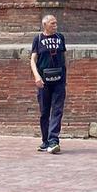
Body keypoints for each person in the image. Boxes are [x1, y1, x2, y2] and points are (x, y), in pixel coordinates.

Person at [30, 14, 67, 154]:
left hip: (59, 80)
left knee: (57, 110)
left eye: (56, 23)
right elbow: (33, 59)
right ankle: (45, 141)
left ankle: (53, 141)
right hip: (44, 81)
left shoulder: (60, 38)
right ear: (44, 25)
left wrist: (64, 75)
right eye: (52, 23)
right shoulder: (38, 39)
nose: (55, 26)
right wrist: (37, 76)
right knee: (44, 111)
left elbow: (63, 57)